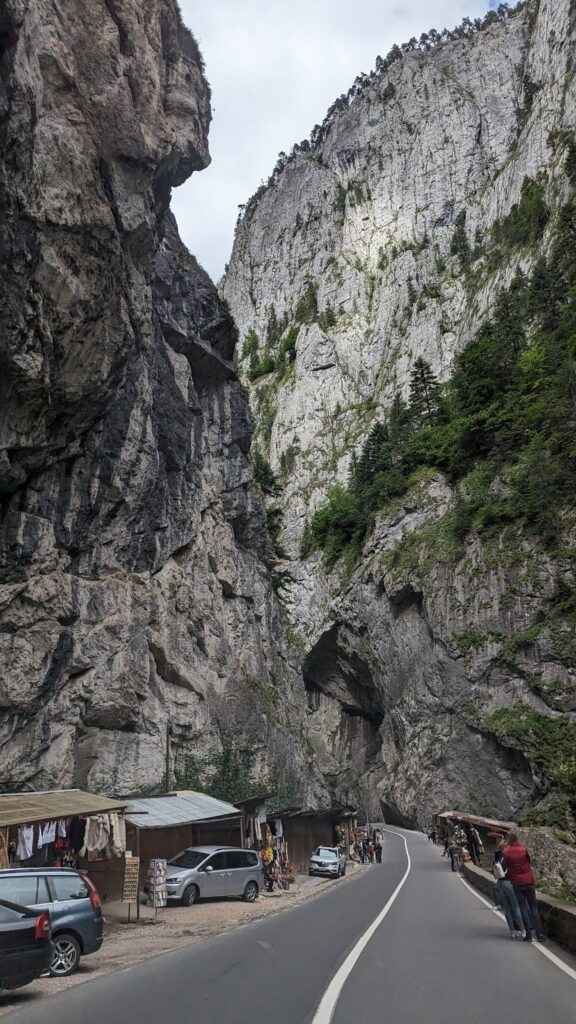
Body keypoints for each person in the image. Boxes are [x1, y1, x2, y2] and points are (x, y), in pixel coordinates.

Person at [503, 833, 545, 942]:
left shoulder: (506, 852)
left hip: (517, 883)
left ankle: (528, 935)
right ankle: (539, 934)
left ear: (509, 841)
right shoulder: (524, 850)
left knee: (522, 908)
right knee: (533, 907)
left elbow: (505, 866)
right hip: (528, 881)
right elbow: (529, 861)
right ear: (517, 840)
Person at [492, 850, 524, 938]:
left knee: (507, 909)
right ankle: (522, 930)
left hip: (501, 884)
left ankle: (512, 932)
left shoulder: (500, 858)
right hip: (510, 883)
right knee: (516, 907)